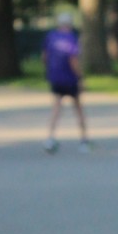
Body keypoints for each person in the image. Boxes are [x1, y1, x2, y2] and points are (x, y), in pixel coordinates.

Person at [43, 12, 90, 153]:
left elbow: (44, 57)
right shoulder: (71, 38)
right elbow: (73, 60)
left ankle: (50, 137)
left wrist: (50, 71)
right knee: (78, 109)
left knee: (56, 108)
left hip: (56, 77)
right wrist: (80, 77)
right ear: (70, 24)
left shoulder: (51, 37)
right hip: (70, 78)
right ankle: (84, 140)